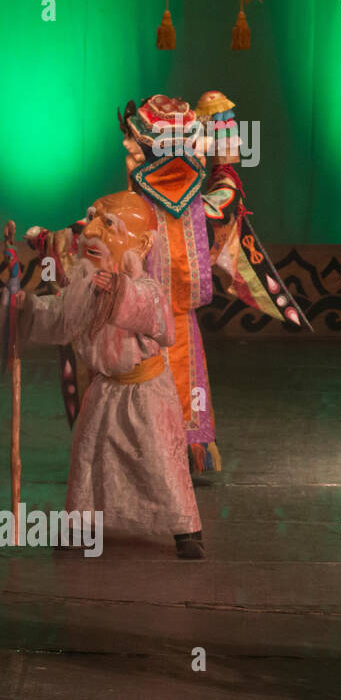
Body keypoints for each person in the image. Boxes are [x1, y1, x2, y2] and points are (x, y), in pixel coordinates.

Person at [26, 92, 308, 475]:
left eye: (135, 144)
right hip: (179, 330)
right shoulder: (205, 210)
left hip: (129, 328)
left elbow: (83, 239)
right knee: (176, 392)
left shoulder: (131, 214)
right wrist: (224, 134)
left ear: (149, 152)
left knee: (126, 393)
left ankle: (130, 458)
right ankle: (182, 456)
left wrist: (45, 241)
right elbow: (230, 191)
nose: (129, 149)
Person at [17, 191, 203, 558]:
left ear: (142, 244)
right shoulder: (84, 288)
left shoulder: (145, 289)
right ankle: (81, 527)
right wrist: (21, 308)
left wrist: (120, 294)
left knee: (160, 461)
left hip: (146, 393)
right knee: (88, 459)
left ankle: (185, 530)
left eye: (109, 226)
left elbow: (162, 324)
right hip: (104, 391)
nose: (92, 232)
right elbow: (57, 318)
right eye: (93, 220)